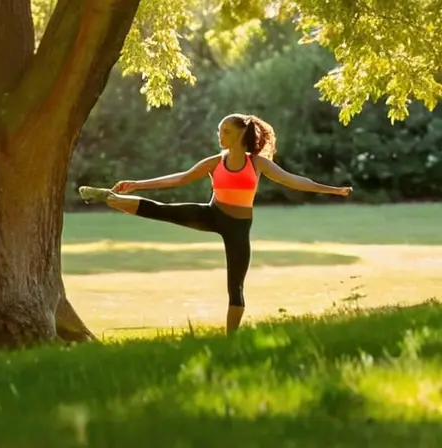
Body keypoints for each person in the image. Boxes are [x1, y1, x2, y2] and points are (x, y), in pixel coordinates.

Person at [77, 113, 353, 335]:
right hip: (212, 213)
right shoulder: (214, 162)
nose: (220, 136)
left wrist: (332, 190)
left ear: (242, 133)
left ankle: (230, 338)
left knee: (236, 285)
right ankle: (110, 198)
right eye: (219, 132)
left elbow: (295, 181)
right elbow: (179, 179)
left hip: (238, 227)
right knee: (163, 210)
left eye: (226, 132)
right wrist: (138, 184)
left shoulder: (257, 163)